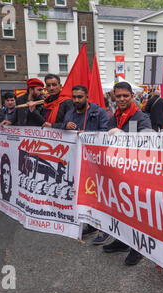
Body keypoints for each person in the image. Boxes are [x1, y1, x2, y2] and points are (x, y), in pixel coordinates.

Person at [102, 81, 151, 266]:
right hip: (119, 171)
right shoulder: (116, 115)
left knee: (136, 212)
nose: (122, 99)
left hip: (136, 174)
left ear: (132, 96)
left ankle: (137, 249)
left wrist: (122, 135)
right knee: (120, 209)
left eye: (125, 96)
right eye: (118, 96)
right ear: (114, 96)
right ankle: (122, 241)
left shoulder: (141, 117)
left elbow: (148, 141)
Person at [63, 85, 110, 244]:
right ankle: (90, 224)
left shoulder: (99, 112)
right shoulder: (69, 113)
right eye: (74, 97)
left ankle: (104, 229)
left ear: (87, 97)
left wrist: (88, 135)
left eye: (80, 97)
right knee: (85, 194)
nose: (76, 100)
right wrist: (65, 126)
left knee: (99, 196)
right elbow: (63, 133)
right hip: (77, 161)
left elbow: (104, 132)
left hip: (96, 162)